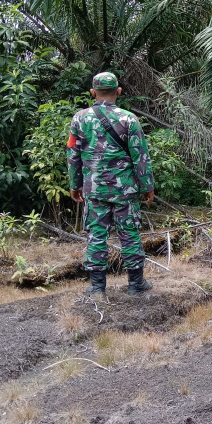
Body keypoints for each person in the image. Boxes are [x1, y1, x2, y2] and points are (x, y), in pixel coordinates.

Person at [67, 72, 155, 297]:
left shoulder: (79, 118)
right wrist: (147, 187)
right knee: (129, 233)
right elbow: (140, 155)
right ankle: (136, 285)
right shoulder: (129, 119)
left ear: (92, 92)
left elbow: (73, 154)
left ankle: (97, 287)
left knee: (96, 235)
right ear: (118, 92)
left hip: (94, 189)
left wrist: (75, 184)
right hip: (124, 190)